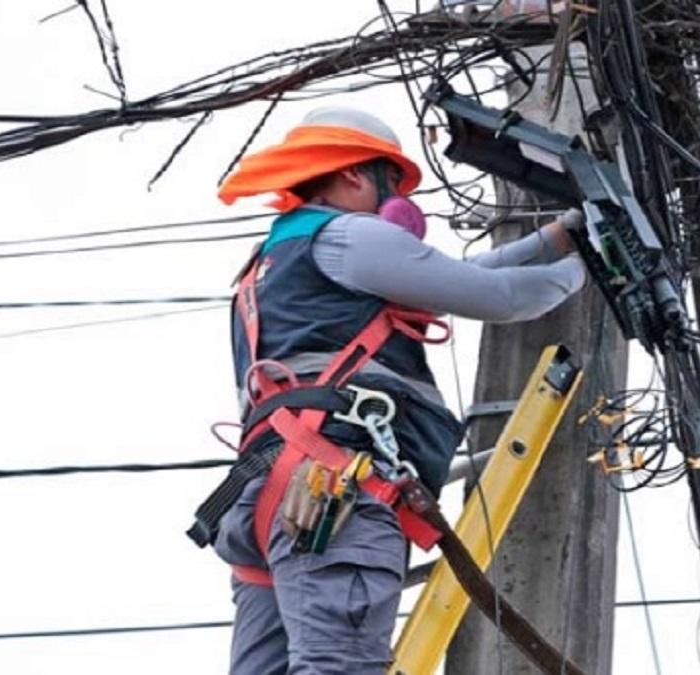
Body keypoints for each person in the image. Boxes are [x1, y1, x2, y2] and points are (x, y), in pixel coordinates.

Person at [210, 107, 587, 675]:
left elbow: (454, 279)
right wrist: (593, 266)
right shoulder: (353, 236)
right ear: (356, 175)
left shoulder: (268, 266)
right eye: (392, 184)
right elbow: (500, 298)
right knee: (341, 667)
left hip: (266, 499)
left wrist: (553, 240)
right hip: (331, 494)